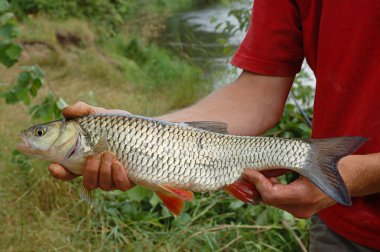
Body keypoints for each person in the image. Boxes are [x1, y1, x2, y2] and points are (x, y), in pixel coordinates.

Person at [48, 0, 380, 251]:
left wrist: (356, 175)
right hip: (341, 222)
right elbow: (257, 95)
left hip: (338, 191)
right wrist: (134, 132)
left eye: (41, 134)